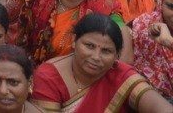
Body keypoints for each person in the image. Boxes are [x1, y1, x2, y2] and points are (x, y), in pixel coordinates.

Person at [30, 13, 168, 112]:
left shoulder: (121, 75)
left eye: (106, 51)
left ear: (117, 55)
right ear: (73, 41)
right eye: (89, 46)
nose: (96, 57)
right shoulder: (49, 76)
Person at [130, 0, 173, 100]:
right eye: (171, 6)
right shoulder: (143, 25)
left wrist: (169, 42)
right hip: (146, 98)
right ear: (160, 2)